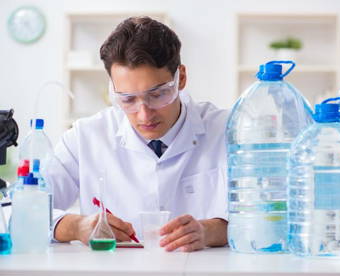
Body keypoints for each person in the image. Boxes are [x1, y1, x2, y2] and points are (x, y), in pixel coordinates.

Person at [47, 16, 229, 252]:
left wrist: (209, 231)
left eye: (157, 95)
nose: (144, 115)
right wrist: (75, 226)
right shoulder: (85, 137)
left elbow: (270, 218)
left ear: (180, 78)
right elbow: (17, 211)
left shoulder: (228, 131)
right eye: (127, 99)